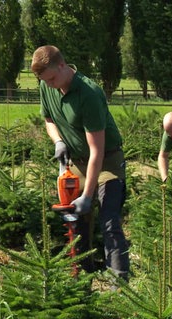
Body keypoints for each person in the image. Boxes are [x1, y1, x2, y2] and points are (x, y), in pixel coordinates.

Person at [31, 45, 130, 280]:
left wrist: (87, 195)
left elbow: (97, 150)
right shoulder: (46, 85)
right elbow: (48, 119)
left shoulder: (89, 94)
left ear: (63, 65)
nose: (50, 84)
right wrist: (58, 141)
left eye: (53, 78)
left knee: (109, 221)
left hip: (106, 162)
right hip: (76, 162)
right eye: (45, 80)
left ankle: (119, 283)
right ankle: (82, 278)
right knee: (77, 223)